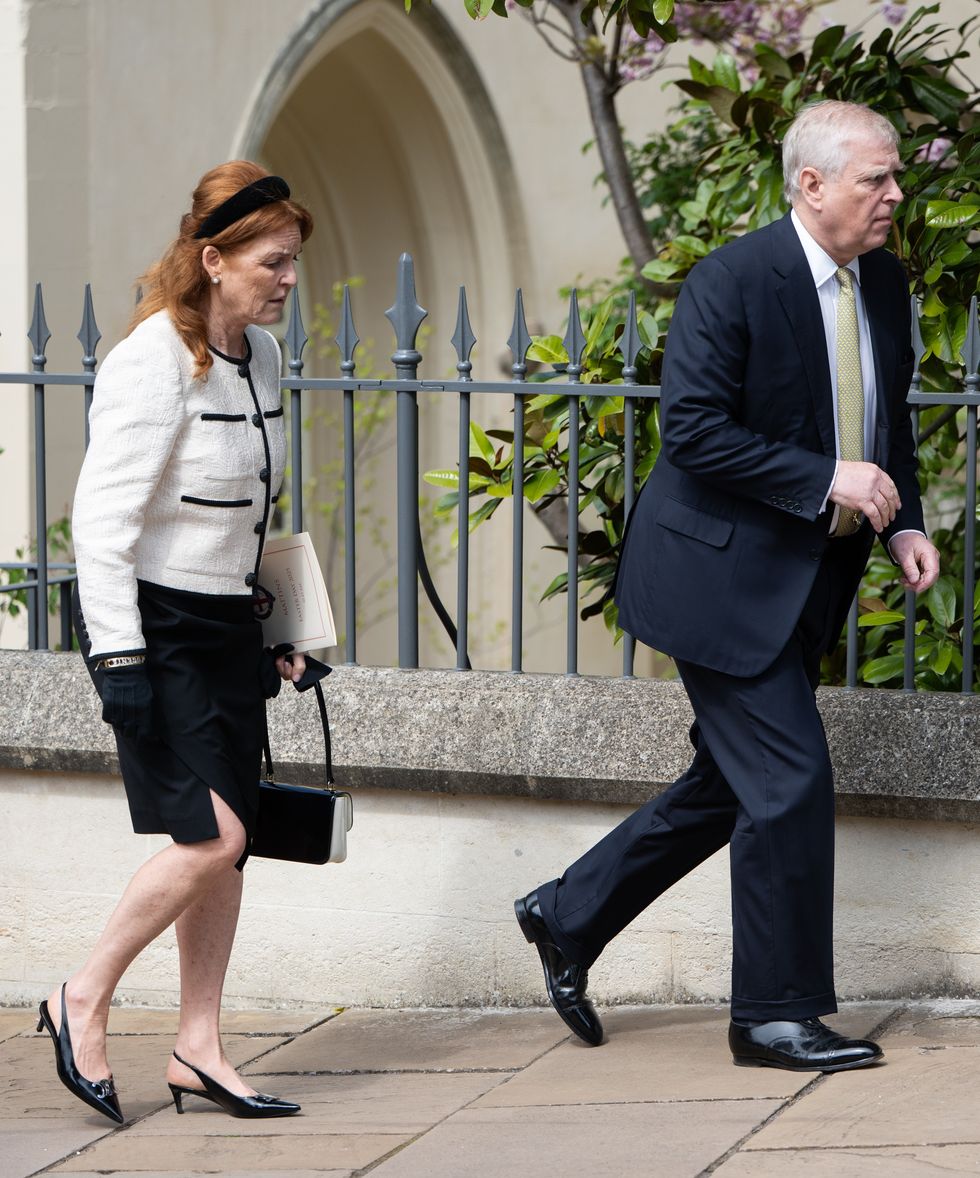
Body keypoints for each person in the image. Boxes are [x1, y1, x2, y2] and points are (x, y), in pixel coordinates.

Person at [515, 101, 941, 1072]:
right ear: (810, 185)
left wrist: (902, 517)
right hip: (715, 582)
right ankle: (771, 1015)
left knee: (730, 780)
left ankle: (564, 911)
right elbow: (693, 431)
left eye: (890, 177)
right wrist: (823, 477)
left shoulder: (880, 282)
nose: (891, 194)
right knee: (787, 780)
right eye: (874, 178)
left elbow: (884, 424)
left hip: (806, 581)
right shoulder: (732, 280)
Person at [37, 162, 314, 1123]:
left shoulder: (263, 358)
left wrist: (279, 625)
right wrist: (117, 662)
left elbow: (249, 514)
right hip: (153, 632)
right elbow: (102, 528)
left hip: (227, 627)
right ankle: (82, 997)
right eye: (273, 262)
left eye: (291, 263)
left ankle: (199, 1048)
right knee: (213, 834)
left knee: (231, 853)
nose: (287, 280)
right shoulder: (152, 359)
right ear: (213, 259)